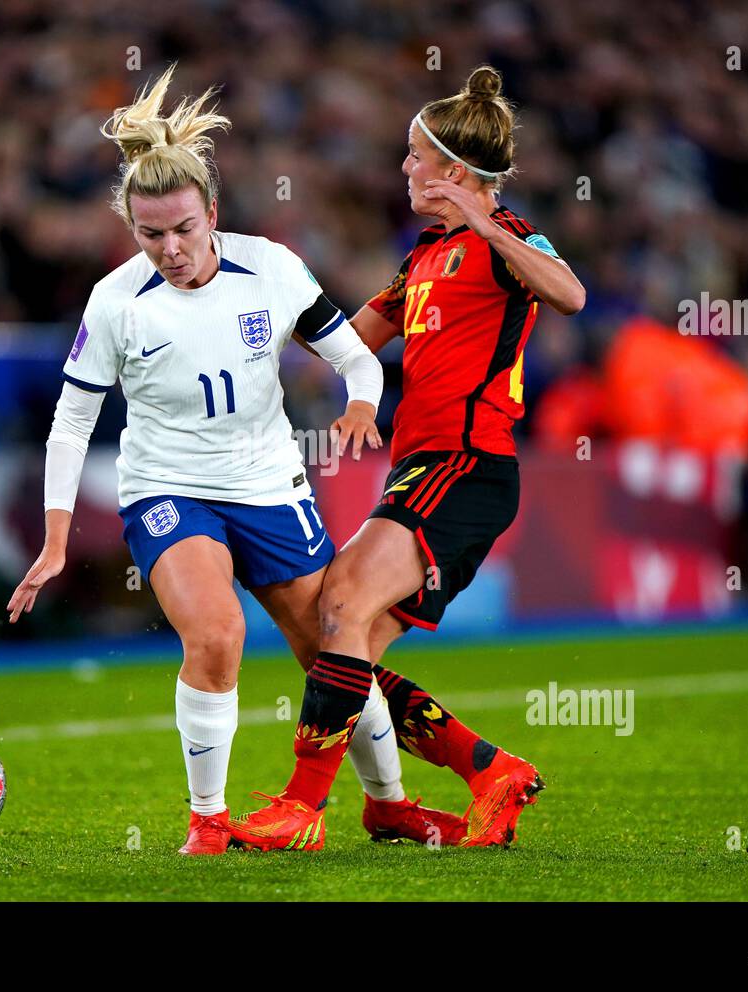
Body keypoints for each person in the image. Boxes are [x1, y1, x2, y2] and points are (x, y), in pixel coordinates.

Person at [4, 66, 462, 855]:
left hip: (268, 485)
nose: (171, 248)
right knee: (216, 635)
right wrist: (54, 538)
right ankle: (209, 822)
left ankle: (388, 804)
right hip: (167, 489)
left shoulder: (273, 269)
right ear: (131, 230)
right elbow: (71, 421)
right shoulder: (116, 301)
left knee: (332, 650)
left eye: (184, 228)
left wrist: (360, 401)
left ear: (211, 212)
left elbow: (358, 358)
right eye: (151, 235)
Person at [232, 66, 586, 850]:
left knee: (342, 607)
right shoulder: (424, 255)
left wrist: (486, 222)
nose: (403, 168)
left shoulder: (507, 241)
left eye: (414, 155)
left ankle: (300, 809)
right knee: (341, 640)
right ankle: (489, 770)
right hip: (423, 468)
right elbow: (346, 340)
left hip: (469, 462)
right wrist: (239, 327)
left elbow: (569, 295)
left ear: (456, 172)